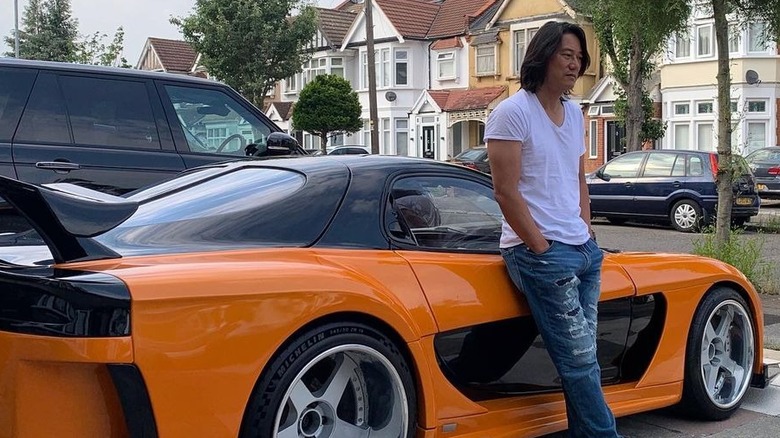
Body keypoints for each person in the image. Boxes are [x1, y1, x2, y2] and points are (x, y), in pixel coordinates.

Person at [484, 21, 620, 437]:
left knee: (584, 360)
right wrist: (540, 247)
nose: (576, 65)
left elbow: (577, 178)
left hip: (582, 249)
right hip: (538, 254)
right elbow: (505, 193)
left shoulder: (575, 114)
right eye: (567, 55)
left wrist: (587, 229)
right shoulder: (512, 113)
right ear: (543, 55)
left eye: (580, 58)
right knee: (578, 359)